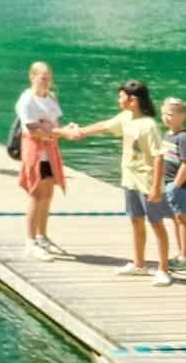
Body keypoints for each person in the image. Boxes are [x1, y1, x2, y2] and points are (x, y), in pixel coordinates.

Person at [64, 81, 172, 286]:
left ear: (133, 100)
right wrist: (79, 132)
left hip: (148, 183)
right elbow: (104, 126)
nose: (118, 100)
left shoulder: (148, 125)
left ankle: (163, 269)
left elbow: (159, 158)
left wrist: (157, 188)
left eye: (121, 96)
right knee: (136, 221)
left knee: (157, 225)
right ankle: (139, 263)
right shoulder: (126, 117)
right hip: (129, 180)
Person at [15, 62, 67, 261]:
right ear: (32, 77)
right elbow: (33, 128)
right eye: (42, 77)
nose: (46, 81)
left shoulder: (50, 98)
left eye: (48, 78)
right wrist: (54, 131)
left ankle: (42, 235)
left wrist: (58, 131)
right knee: (36, 194)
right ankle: (30, 241)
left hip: (50, 151)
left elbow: (55, 124)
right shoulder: (27, 99)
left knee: (48, 193)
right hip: (36, 151)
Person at [157, 97, 186, 269]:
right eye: (163, 114)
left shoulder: (182, 138)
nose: (165, 117)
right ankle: (181, 251)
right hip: (167, 183)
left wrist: (176, 185)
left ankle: (184, 256)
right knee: (176, 220)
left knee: (182, 220)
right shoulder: (167, 135)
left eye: (170, 114)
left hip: (180, 186)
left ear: (181, 116)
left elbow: (185, 163)